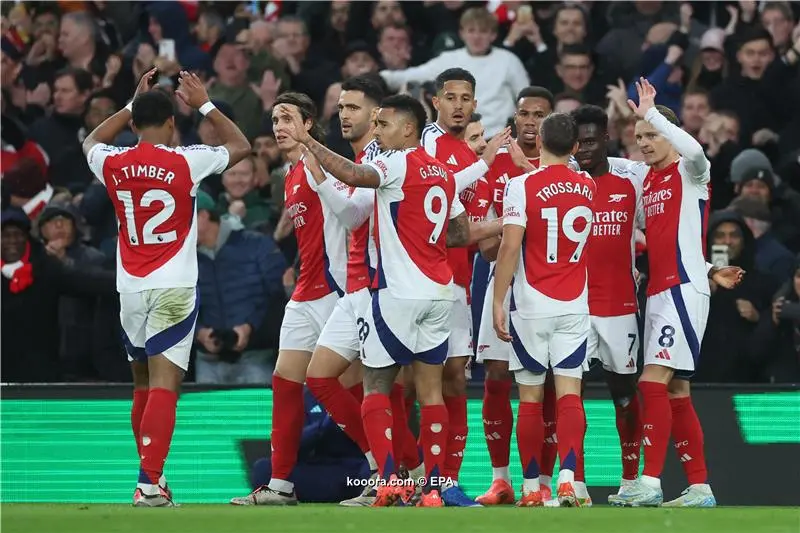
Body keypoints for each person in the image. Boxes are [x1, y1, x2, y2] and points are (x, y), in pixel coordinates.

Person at [279, 93, 502, 507]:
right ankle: (433, 490)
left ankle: (387, 483)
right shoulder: (442, 172)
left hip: (397, 293)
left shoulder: (393, 162)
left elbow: (354, 173)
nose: (377, 133)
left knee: (378, 385)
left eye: (384, 125)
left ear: (407, 129)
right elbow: (456, 234)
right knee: (431, 392)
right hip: (440, 293)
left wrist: (309, 143)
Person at [81, 69, 251, 507]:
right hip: (173, 285)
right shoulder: (187, 160)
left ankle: (150, 479)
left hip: (131, 288)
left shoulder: (112, 162)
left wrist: (127, 106)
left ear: (135, 124)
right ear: (172, 122)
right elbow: (241, 146)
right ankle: (149, 485)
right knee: (164, 385)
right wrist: (206, 104)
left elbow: (89, 142)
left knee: (142, 384)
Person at [608, 79, 743, 507]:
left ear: (670, 136)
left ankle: (649, 481)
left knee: (652, 383)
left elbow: (699, 151)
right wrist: (710, 268)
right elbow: (674, 239)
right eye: (641, 136)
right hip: (663, 291)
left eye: (652, 135)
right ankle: (700, 486)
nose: (645, 142)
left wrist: (651, 113)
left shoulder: (690, 171)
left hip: (682, 292)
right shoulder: (648, 183)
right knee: (676, 393)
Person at [303, 75, 421, 507]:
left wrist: (319, 176)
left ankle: (402, 475)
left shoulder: (382, 161)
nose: (343, 115)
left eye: (352, 107)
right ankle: (388, 468)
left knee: (383, 387)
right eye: (340, 107)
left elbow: (354, 217)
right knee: (323, 377)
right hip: (354, 287)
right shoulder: (359, 159)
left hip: (379, 288)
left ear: (377, 116)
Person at [229, 92, 349, 506]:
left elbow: (348, 218)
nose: (279, 126)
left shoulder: (321, 164)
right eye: (275, 119)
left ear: (309, 124)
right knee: (284, 385)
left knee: (348, 392)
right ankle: (280, 484)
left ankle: (388, 473)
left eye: (287, 119)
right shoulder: (292, 172)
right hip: (304, 293)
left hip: (336, 293)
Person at [492, 112, 595, 508]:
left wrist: (498, 302)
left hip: (532, 304)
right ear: (574, 148)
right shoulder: (586, 185)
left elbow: (509, 246)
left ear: (539, 141)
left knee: (531, 399)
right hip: (574, 304)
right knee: (570, 394)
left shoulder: (521, 186)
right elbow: (566, 176)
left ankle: (532, 488)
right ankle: (568, 479)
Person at [418, 67, 510, 507]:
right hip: (419, 281)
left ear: (475, 104)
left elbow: (469, 234)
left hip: (456, 284)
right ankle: (412, 477)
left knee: (454, 379)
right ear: (436, 101)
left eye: (465, 98)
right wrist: (486, 160)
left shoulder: (465, 155)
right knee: (413, 382)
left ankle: (444, 480)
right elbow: (445, 211)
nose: (457, 104)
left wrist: (503, 224)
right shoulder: (433, 145)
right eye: (450, 96)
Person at [474, 86, 557, 506]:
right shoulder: (494, 164)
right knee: (495, 378)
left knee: (548, 386)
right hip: (503, 283)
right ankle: (500, 479)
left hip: (551, 289)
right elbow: (487, 245)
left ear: (552, 119)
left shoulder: (565, 164)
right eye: (523, 113)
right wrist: (509, 229)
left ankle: (543, 480)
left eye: (539, 114)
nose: (529, 121)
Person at [571, 104, 645, 499]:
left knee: (625, 394)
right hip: (572, 307)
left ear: (605, 139)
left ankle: (631, 480)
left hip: (619, 308)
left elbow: (663, 228)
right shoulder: (562, 184)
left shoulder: (632, 180)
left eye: (590, 141)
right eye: (577, 142)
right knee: (571, 394)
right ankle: (576, 482)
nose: (582, 149)